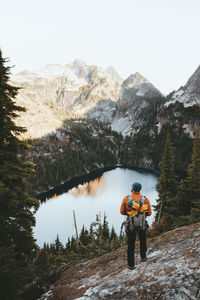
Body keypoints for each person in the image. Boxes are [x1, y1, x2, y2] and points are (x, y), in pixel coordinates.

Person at [120, 182, 152, 270]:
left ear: (132, 189)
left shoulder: (127, 198)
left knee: (131, 244)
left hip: (131, 224)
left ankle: (131, 265)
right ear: (140, 189)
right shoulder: (145, 199)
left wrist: (130, 213)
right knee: (143, 241)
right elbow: (149, 213)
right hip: (142, 224)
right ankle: (143, 257)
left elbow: (122, 212)